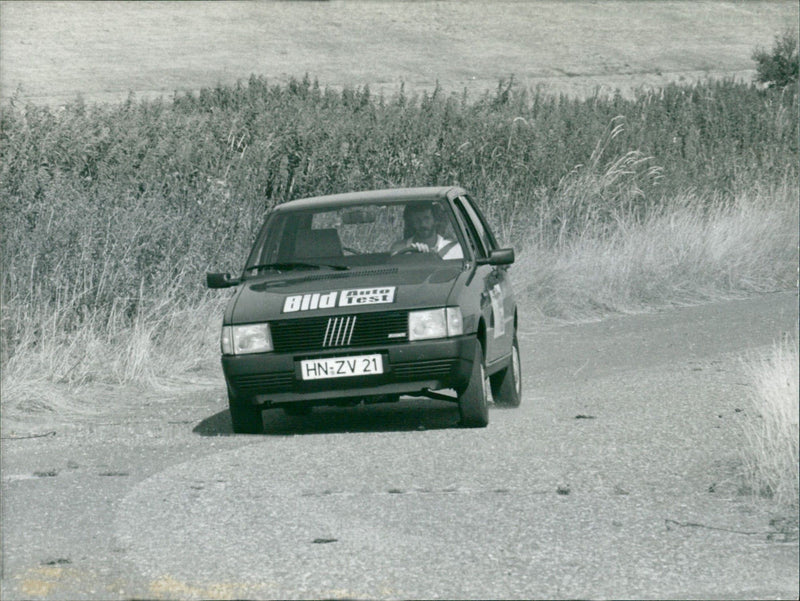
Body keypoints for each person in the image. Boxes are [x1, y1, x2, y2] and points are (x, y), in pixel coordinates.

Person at [390, 202, 463, 259]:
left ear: (435, 220)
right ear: (412, 223)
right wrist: (410, 257)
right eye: (417, 220)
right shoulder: (399, 249)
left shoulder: (454, 249)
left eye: (426, 218)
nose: (423, 224)